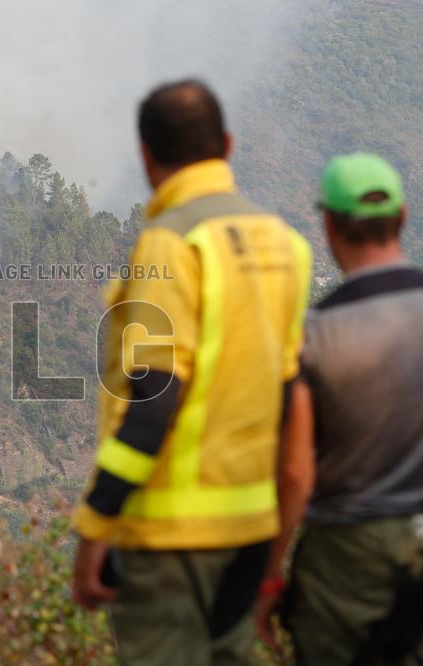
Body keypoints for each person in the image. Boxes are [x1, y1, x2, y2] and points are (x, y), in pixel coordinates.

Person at [71, 79, 312, 664]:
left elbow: (153, 403)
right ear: (227, 144)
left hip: (171, 536)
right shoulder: (287, 245)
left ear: (147, 155)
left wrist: (96, 521)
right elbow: (289, 398)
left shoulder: (171, 244)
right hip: (251, 531)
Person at [254, 153, 423, 665]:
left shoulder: (315, 335)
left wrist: (271, 572)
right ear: (404, 217)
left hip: (346, 558)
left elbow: (297, 471)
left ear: (328, 225)